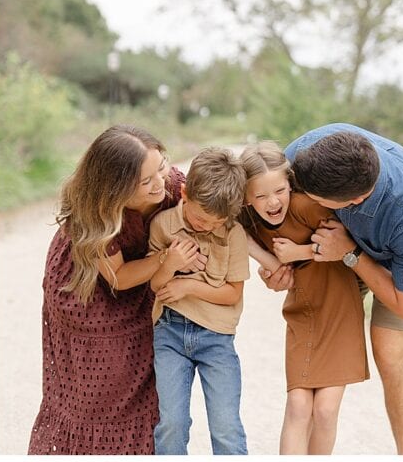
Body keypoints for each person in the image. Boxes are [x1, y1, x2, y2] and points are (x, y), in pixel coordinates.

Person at [270, 123, 403, 455]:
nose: (302, 194)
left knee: (391, 348)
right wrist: (277, 265)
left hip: (392, 260)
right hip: (334, 247)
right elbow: (274, 211)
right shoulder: (306, 156)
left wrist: (350, 254)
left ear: (353, 200)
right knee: (314, 362)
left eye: (312, 196)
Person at [28, 125, 195, 455]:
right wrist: (166, 259)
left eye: (160, 167)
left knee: (148, 379)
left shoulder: (172, 185)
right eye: (145, 182)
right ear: (115, 189)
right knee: (100, 386)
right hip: (88, 292)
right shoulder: (96, 215)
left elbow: (219, 205)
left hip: (146, 271)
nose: (159, 183)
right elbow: (118, 277)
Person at [238, 141, 369, 454]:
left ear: (289, 183)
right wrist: (268, 265)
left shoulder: (306, 206)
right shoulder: (252, 223)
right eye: (260, 195)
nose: (272, 202)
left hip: (339, 310)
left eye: (279, 190)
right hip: (303, 314)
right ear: (246, 198)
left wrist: (299, 251)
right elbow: (260, 255)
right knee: (297, 407)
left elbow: (347, 246)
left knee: (324, 410)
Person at [148, 146, 250, 455]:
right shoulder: (163, 225)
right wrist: (170, 264)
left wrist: (188, 287)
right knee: (172, 423)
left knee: (226, 426)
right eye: (200, 218)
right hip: (170, 334)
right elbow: (155, 284)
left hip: (217, 339)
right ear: (184, 193)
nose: (205, 226)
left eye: (215, 222)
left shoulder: (234, 234)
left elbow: (232, 293)